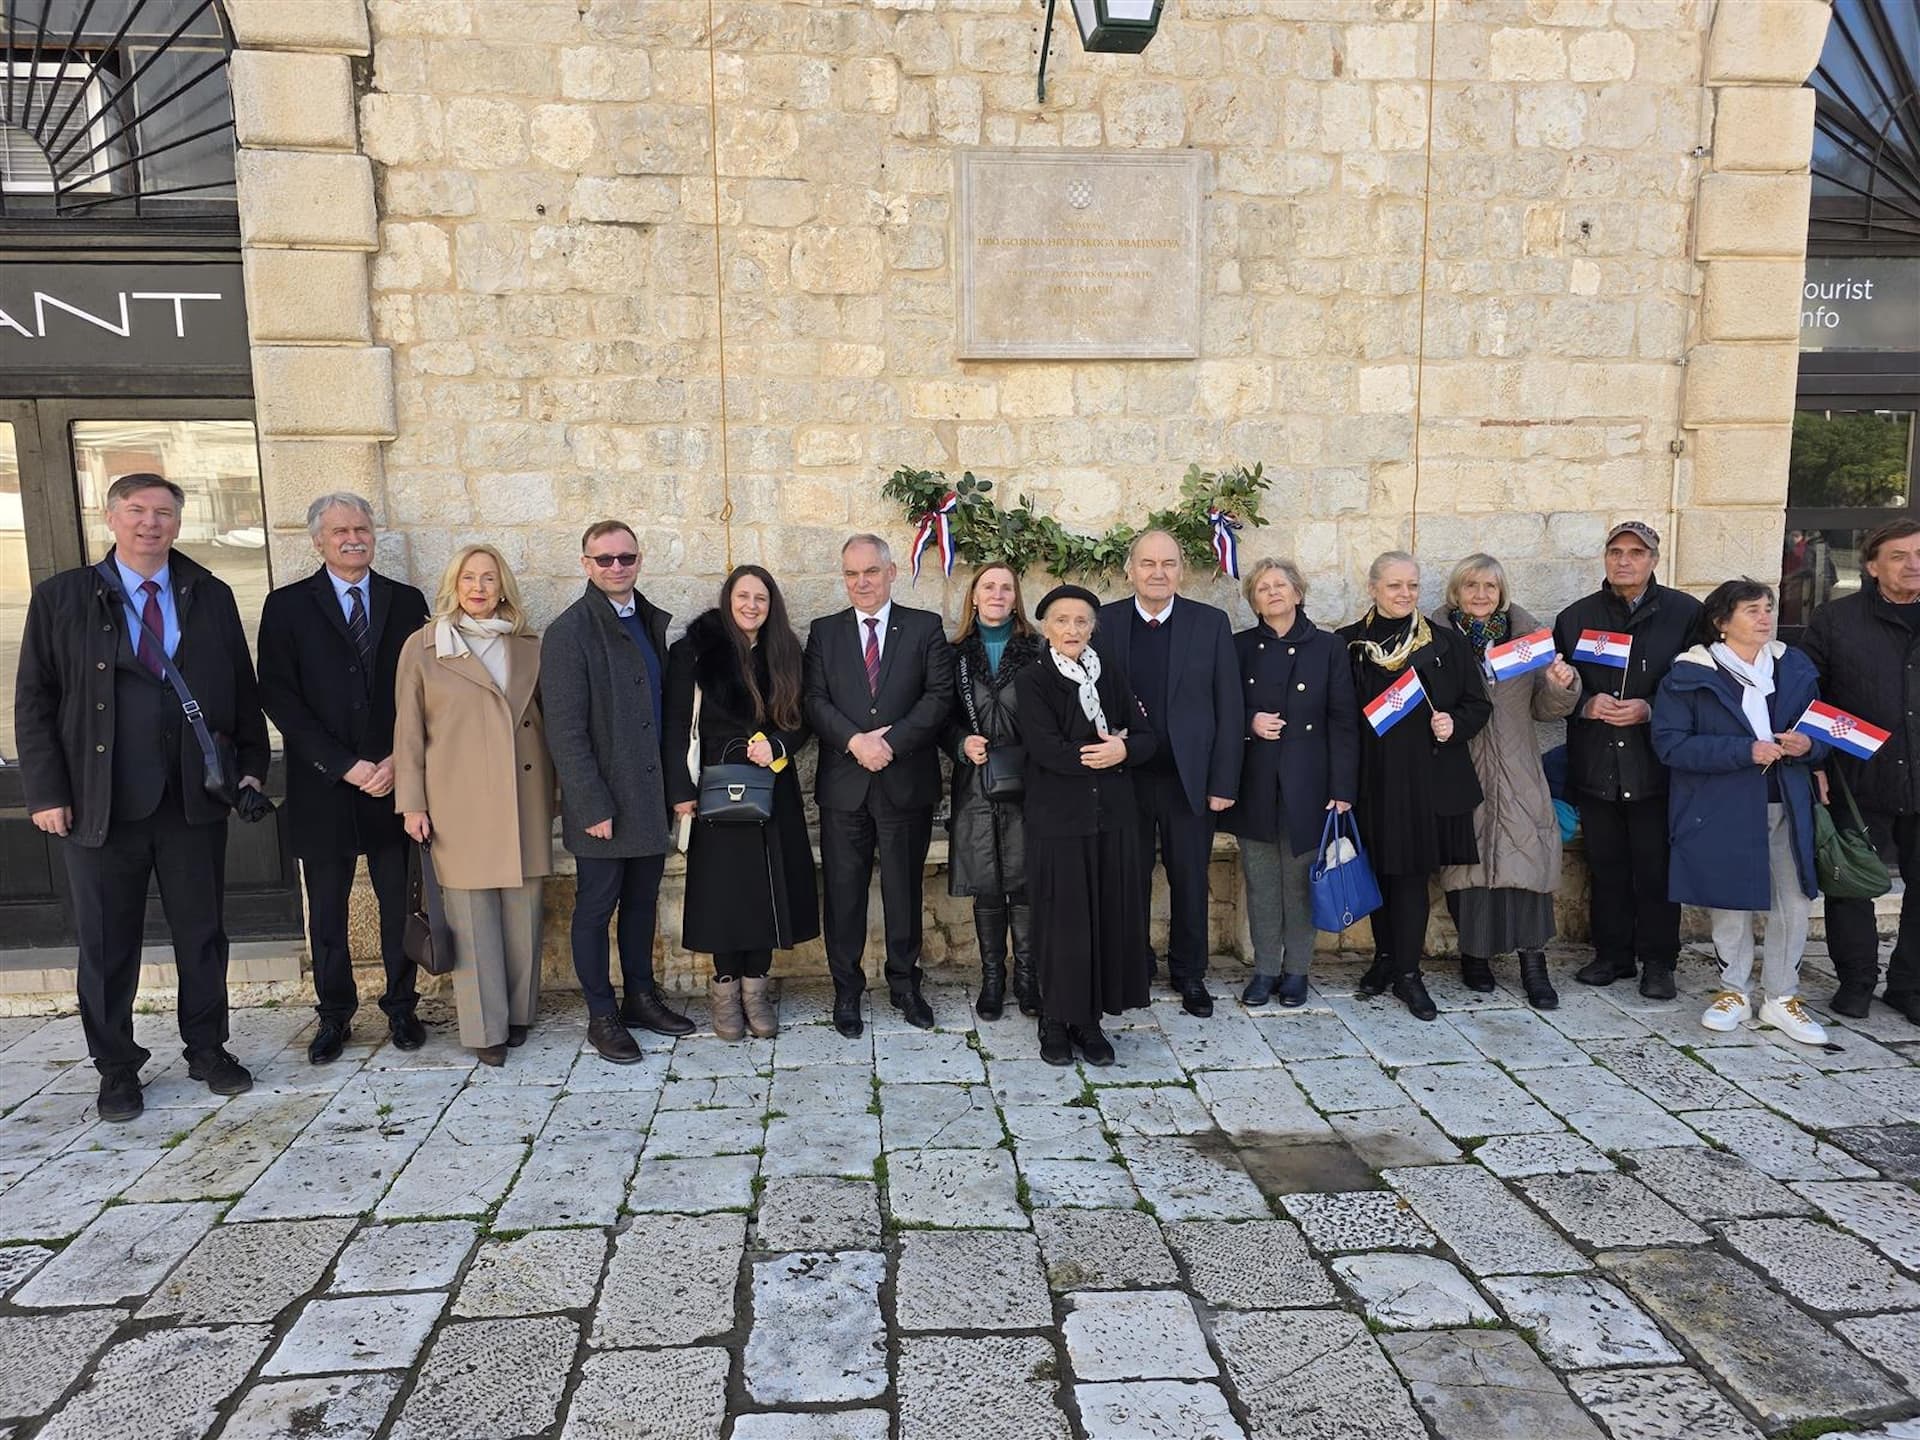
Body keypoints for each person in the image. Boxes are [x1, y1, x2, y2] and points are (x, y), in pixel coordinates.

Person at [14, 472, 268, 1120]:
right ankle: (117, 1069)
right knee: (106, 944)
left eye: (163, 513)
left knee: (203, 934)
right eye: (136, 510)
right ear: (111, 517)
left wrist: (251, 768)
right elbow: (35, 701)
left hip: (191, 801)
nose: (150, 523)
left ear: (178, 523)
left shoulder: (209, 594)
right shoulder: (62, 597)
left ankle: (207, 1048)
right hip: (99, 804)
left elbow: (240, 689)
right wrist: (45, 791)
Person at [257, 493, 431, 1064]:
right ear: (318, 541)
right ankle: (334, 1015)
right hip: (324, 786)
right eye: (340, 531)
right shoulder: (286, 606)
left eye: (361, 529)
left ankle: (402, 1007)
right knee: (328, 913)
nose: (353, 538)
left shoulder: (406, 601)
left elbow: (425, 689)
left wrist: (398, 759)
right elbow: (278, 695)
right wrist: (344, 764)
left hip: (393, 782)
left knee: (399, 903)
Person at [393, 544, 554, 1067]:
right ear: (453, 585)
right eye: (468, 578)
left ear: (503, 585)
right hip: (456, 798)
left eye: (488, 577)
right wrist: (412, 804)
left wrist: (558, 796)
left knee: (523, 912)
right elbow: (408, 733)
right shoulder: (424, 647)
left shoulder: (529, 646)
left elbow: (551, 724)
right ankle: (486, 1029)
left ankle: (518, 1014)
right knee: (470, 916)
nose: (478, 588)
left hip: (523, 795)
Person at [543, 521, 695, 1064]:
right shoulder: (569, 632)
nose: (616, 567)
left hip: (647, 798)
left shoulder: (647, 620)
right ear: (586, 564)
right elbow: (565, 731)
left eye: (625, 558)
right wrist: (591, 804)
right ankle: (601, 1015)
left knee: (641, 904)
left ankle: (640, 999)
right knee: (595, 909)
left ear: (638, 560)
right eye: (604, 559)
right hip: (603, 804)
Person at [1652, 580, 1828, 1045]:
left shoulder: (1793, 667)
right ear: (1721, 622)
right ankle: (1733, 991)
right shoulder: (1690, 674)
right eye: (1752, 610)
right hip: (1720, 804)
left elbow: (1824, 731)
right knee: (1729, 900)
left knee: (1793, 901)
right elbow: (1670, 745)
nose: (1765, 617)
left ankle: (1781, 997)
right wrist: (1743, 750)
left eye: (1768, 608)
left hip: (1786, 801)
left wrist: (1809, 746)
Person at [803, 534, 956, 1037]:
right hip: (845, 786)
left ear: (891, 573)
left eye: (870, 571)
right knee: (843, 893)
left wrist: (889, 743)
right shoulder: (825, 632)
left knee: (903, 889)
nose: (861, 582)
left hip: (904, 781)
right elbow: (814, 700)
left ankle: (905, 984)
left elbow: (939, 697)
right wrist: (855, 742)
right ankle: (846, 990)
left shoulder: (924, 627)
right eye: (851, 574)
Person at [665, 566, 819, 1040]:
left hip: (771, 790)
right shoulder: (694, 651)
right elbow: (675, 725)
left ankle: (756, 990)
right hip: (715, 792)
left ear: (772, 605)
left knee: (766, 892)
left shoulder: (786, 651)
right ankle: (726, 992)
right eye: (743, 596)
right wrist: (681, 793)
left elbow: (803, 719)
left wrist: (777, 745)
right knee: (724, 894)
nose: (751, 606)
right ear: (728, 599)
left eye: (761, 598)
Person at [1552, 521, 1702, 1001]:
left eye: (1637, 553)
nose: (1624, 560)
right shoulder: (1575, 617)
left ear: (1654, 560)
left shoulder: (1687, 614)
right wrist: (1583, 703)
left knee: (1656, 870)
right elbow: (1552, 688)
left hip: (1655, 766)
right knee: (1606, 866)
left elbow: (1701, 688)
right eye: (1616, 551)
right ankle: (1612, 955)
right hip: (1596, 766)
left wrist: (1651, 709)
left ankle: (1659, 962)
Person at [1339, 551, 1492, 1021]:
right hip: (1370, 779)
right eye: (1394, 586)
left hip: (1426, 780)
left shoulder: (1445, 643)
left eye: (1412, 585)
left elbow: (1477, 705)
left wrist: (1453, 724)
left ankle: (1408, 973)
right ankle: (1385, 958)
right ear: (1373, 589)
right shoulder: (1347, 645)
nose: (1404, 594)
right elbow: (1336, 716)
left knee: (1408, 876)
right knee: (1379, 871)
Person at [1097, 529, 1242, 1017]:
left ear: (1181, 570)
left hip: (1189, 781)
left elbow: (1229, 707)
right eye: (1148, 563)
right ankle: (1133, 965)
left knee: (1190, 879)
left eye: (1168, 563)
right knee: (1127, 878)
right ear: (1130, 570)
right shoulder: (1105, 622)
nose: (1158, 572)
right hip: (1125, 779)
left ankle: (1189, 972)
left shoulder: (1210, 623)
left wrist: (1223, 782)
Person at [1431, 555, 1581, 1010]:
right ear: (1456, 592)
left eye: (1490, 586)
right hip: (1463, 768)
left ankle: (1534, 965)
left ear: (1502, 593)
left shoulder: (1527, 641)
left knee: (1527, 865)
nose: (1481, 594)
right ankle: (1474, 956)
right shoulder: (1436, 641)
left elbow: (1546, 708)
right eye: (1471, 585)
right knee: (1468, 866)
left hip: (1517, 769)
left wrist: (1560, 684)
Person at [1016, 584, 1158, 1065]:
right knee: (1063, 925)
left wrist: (1125, 748)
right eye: (1062, 620)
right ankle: (1055, 1019)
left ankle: (1089, 1021)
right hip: (1059, 822)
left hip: (1111, 820)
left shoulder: (1108, 673)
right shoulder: (1034, 680)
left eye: (1081, 621)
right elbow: (1046, 749)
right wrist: (1106, 751)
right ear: (1046, 628)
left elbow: (1146, 737)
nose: (1072, 629)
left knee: (1103, 920)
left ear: (1093, 628)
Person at [1220, 558, 1358, 1008]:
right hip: (1255, 784)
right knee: (1261, 883)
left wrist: (1342, 789)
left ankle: (1297, 970)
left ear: (1298, 593)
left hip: (1310, 785)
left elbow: (1342, 720)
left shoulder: (1329, 647)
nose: (1273, 592)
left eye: (1281, 585)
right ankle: (1264, 970)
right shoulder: (1238, 647)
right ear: (1254, 601)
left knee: (1302, 883)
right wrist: (1250, 721)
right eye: (1263, 588)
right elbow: (1220, 708)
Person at [1803, 518, 1920, 1022]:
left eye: (1919, 554)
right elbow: (1807, 695)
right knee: (1849, 881)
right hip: (1856, 777)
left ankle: (1909, 985)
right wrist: (1815, 761)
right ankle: (1856, 980)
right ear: (1872, 567)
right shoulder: (1835, 620)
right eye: (1899, 555)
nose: (1913, 564)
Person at [945, 562, 1042, 1020]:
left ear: (1015, 598)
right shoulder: (954, 655)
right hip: (975, 782)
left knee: (1025, 882)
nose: (997, 594)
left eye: (1006, 587)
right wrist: (960, 742)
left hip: (1029, 781)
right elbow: (939, 717)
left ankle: (1027, 978)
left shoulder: (1037, 649)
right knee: (985, 882)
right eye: (989, 586)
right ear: (975, 596)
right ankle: (992, 978)